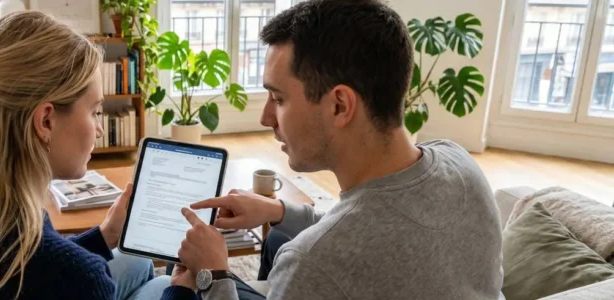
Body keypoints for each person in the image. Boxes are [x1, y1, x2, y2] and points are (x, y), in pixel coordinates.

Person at [162, 0, 504, 299]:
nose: (267, 117)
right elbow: (373, 226)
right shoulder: (459, 162)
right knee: (276, 241)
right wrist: (278, 211)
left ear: (340, 105)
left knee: (176, 279)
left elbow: (347, 242)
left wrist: (212, 274)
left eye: (279, 99)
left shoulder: (312, 264)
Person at [0, 11, 172, 300]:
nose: (100, 129)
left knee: (136, 260)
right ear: (45, 121)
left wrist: (104, 236)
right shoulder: (83, 279)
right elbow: (56, 273)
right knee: (164, 286)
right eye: (94, 111)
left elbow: (25, 269)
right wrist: (190, 284)